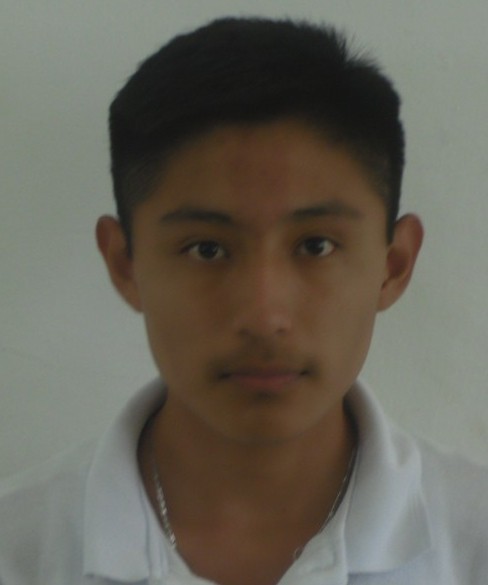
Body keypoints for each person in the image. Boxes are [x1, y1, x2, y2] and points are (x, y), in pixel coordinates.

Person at [1, 16, 487, 585]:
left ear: (394, 264)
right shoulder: (20, 547)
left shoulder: (471, 542)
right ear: (124, 263)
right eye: (206, 249)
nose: (264, 316)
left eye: (316, 245)